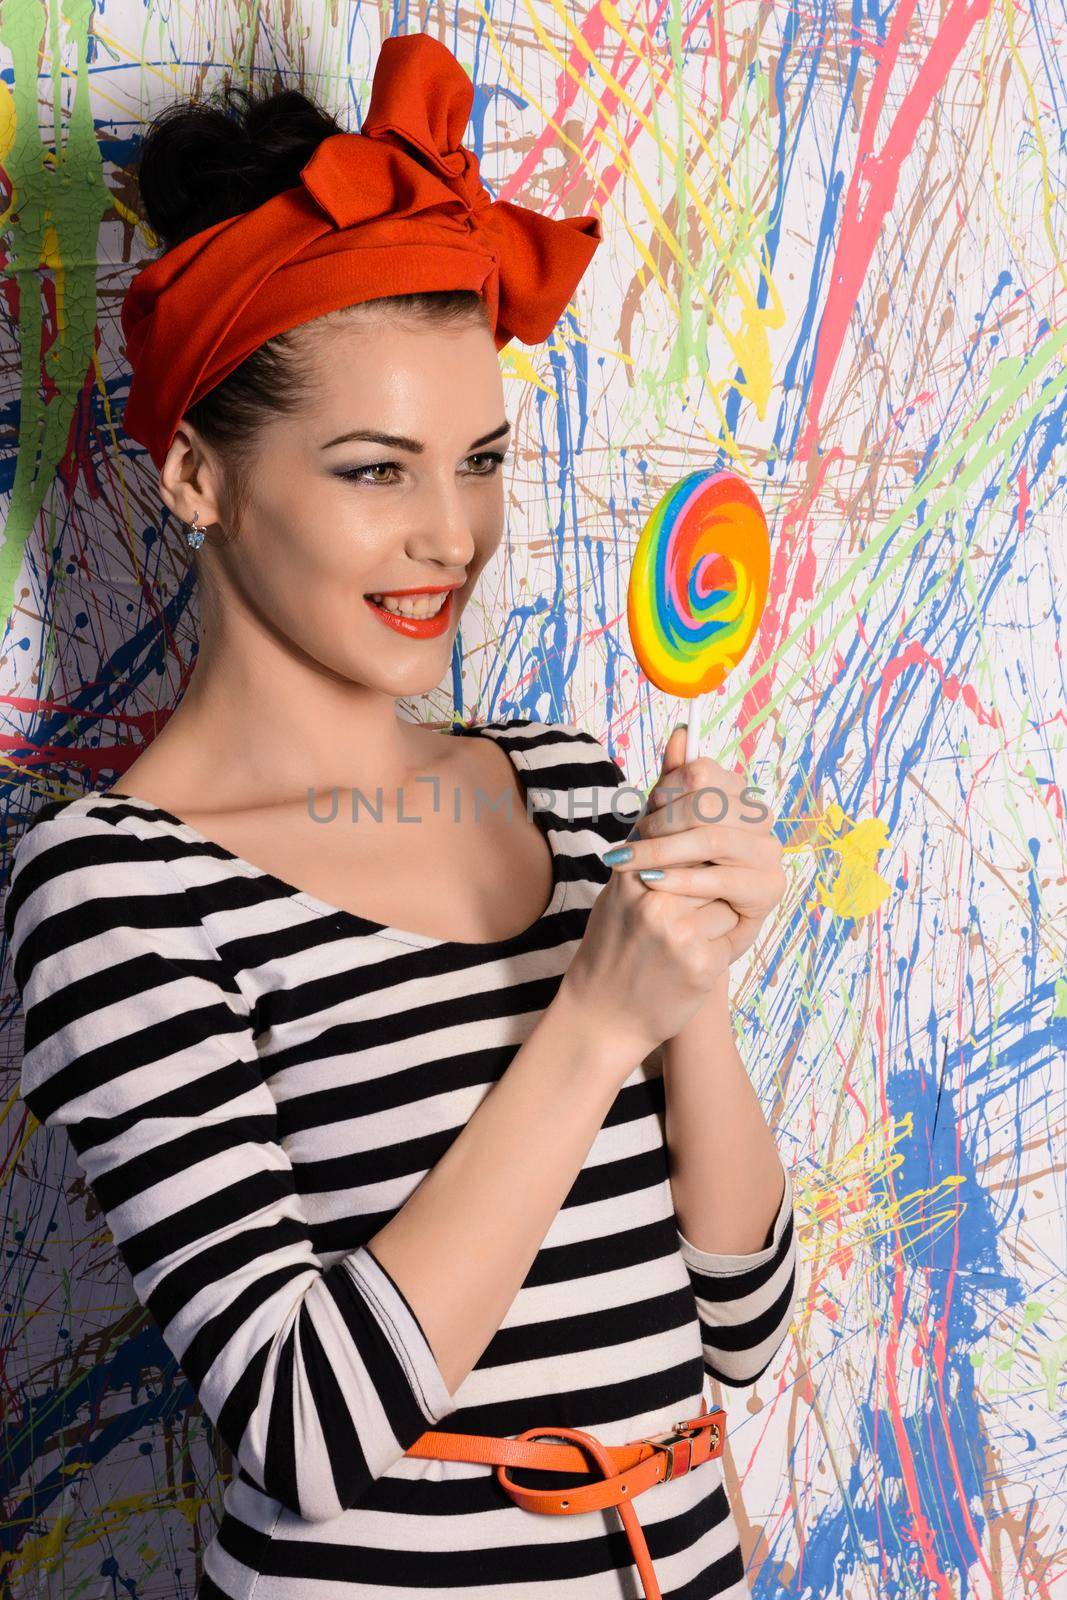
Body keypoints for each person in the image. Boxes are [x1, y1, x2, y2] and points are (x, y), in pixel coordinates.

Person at [4, 32, 799, 1600]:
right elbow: (306, 1428)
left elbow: (743, 1322)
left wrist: (687, 982)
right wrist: (590, 1021)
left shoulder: (568, 783)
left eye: (480, 463)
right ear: (192, 480)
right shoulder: (114, 884)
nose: (450, 536)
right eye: (375, 471)